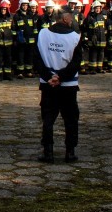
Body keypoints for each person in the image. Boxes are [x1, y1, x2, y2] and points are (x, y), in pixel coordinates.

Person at [34, 9, 82, 163]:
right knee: (70, 118)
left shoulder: (42, 34)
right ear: (66, 19)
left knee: (48, 118)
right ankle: (70, 151)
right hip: (68, 85)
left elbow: (37, 60)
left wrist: (50, 77)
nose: (73, 21)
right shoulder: (75, 37)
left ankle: (48, 152)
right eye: (71, 18)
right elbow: (76, 63)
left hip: (48, 84)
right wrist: (61, 77)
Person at [12, 0, 35, 78]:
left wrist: (34, 37)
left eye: (26, 5)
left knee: (29, 56)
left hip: (30, 39)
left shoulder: (30, 15)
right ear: (20, 6)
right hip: (21, 40)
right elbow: (14, 29)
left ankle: (28, 71)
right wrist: (15, 39)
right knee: (20, 56)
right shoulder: (17, 16)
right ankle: (20, 72)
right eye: (23, 5)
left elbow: (34, 28)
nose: (25, 7)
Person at [84, 0, 107, 74]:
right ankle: (92, 68)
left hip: (102, 38)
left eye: (99, 8)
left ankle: (99, 68)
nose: (97, 9)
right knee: (93, 53)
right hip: (93, 38)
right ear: (93, 9)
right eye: (96, 8)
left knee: (101, 53)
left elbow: (105, 27)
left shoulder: (102, 17)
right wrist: (89, 36)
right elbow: (86, 27)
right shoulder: (90, 17)